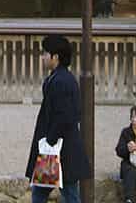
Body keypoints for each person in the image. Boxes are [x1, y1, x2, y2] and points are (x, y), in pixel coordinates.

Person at [27, 34, 91, 203]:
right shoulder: (62, 78)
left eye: (45, 53)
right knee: (44, 192)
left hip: (60, 149)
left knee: (66, 193)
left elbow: (65, 115)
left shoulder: (60, 81)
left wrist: (50, 140)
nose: (42, 57)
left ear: (55, 57)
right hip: (59, 147)